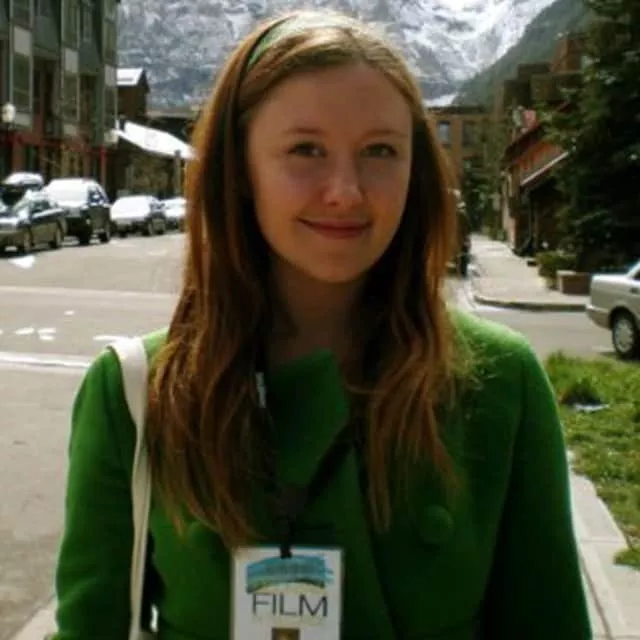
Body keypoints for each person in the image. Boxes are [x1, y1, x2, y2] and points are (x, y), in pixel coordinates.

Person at [51, 10, 592, 640]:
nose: (346, 191)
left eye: (380, 151)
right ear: (240, 171)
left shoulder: (500, 383)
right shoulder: (135, 396)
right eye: (306, 149)